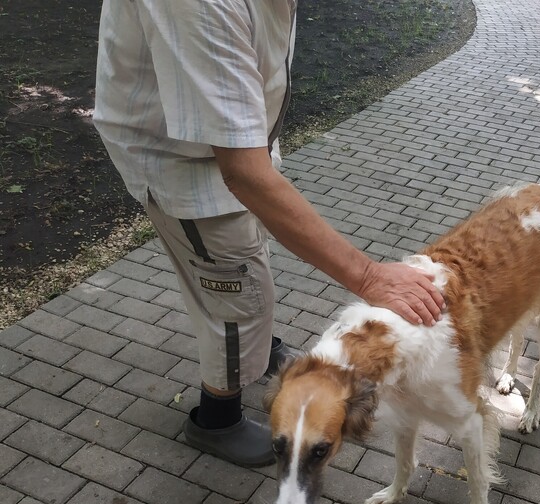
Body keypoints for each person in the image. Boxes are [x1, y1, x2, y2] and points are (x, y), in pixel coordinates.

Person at [93, 1, 443, 466]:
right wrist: (368, 276)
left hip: (222, 151)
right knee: (238, 298)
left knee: (244, 266)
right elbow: (245, 174)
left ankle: (254, 346)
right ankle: (218, 420)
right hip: (187, 168)